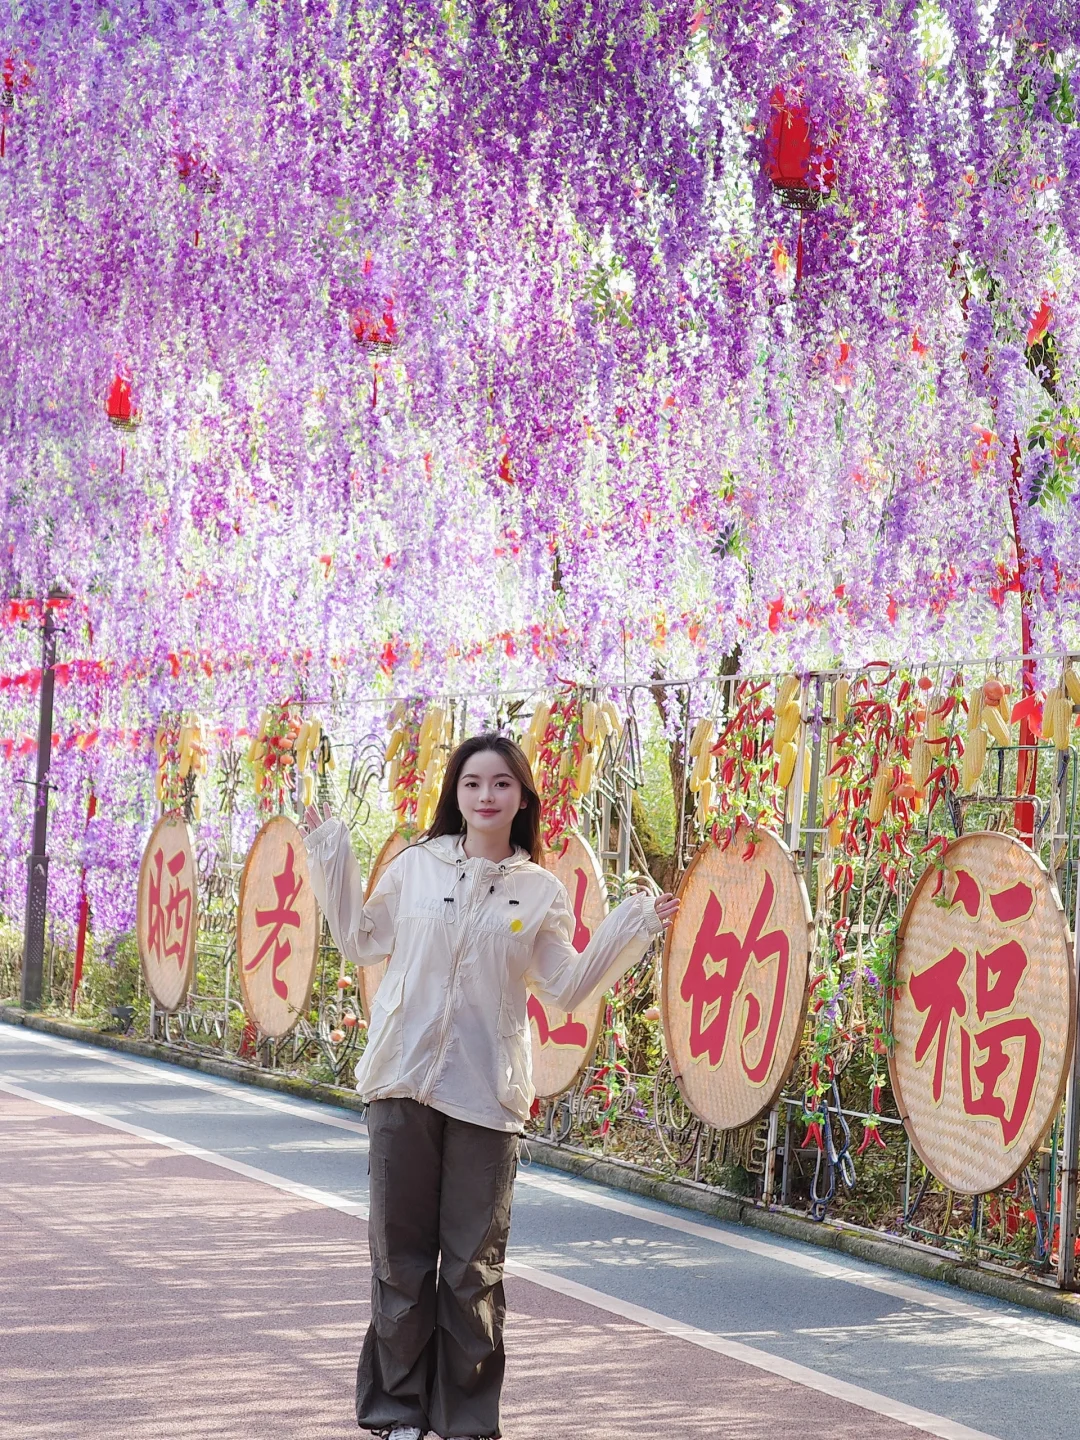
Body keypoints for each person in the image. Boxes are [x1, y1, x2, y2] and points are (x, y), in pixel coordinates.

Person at [303, 731, 678, 1440]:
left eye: (501, 783)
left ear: (522, 798)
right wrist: (331, 851)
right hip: (401, 1082)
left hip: (487, 1095)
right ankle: (398, 1412)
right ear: (456, 792)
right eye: (472, 783)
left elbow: (567, 986)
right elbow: (360, 939)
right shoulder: (415, 866)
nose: (485, 795)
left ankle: (467, 1420)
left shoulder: (539, 890)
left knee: (472, 1268)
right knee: (400, 1261)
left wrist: (631, 926)